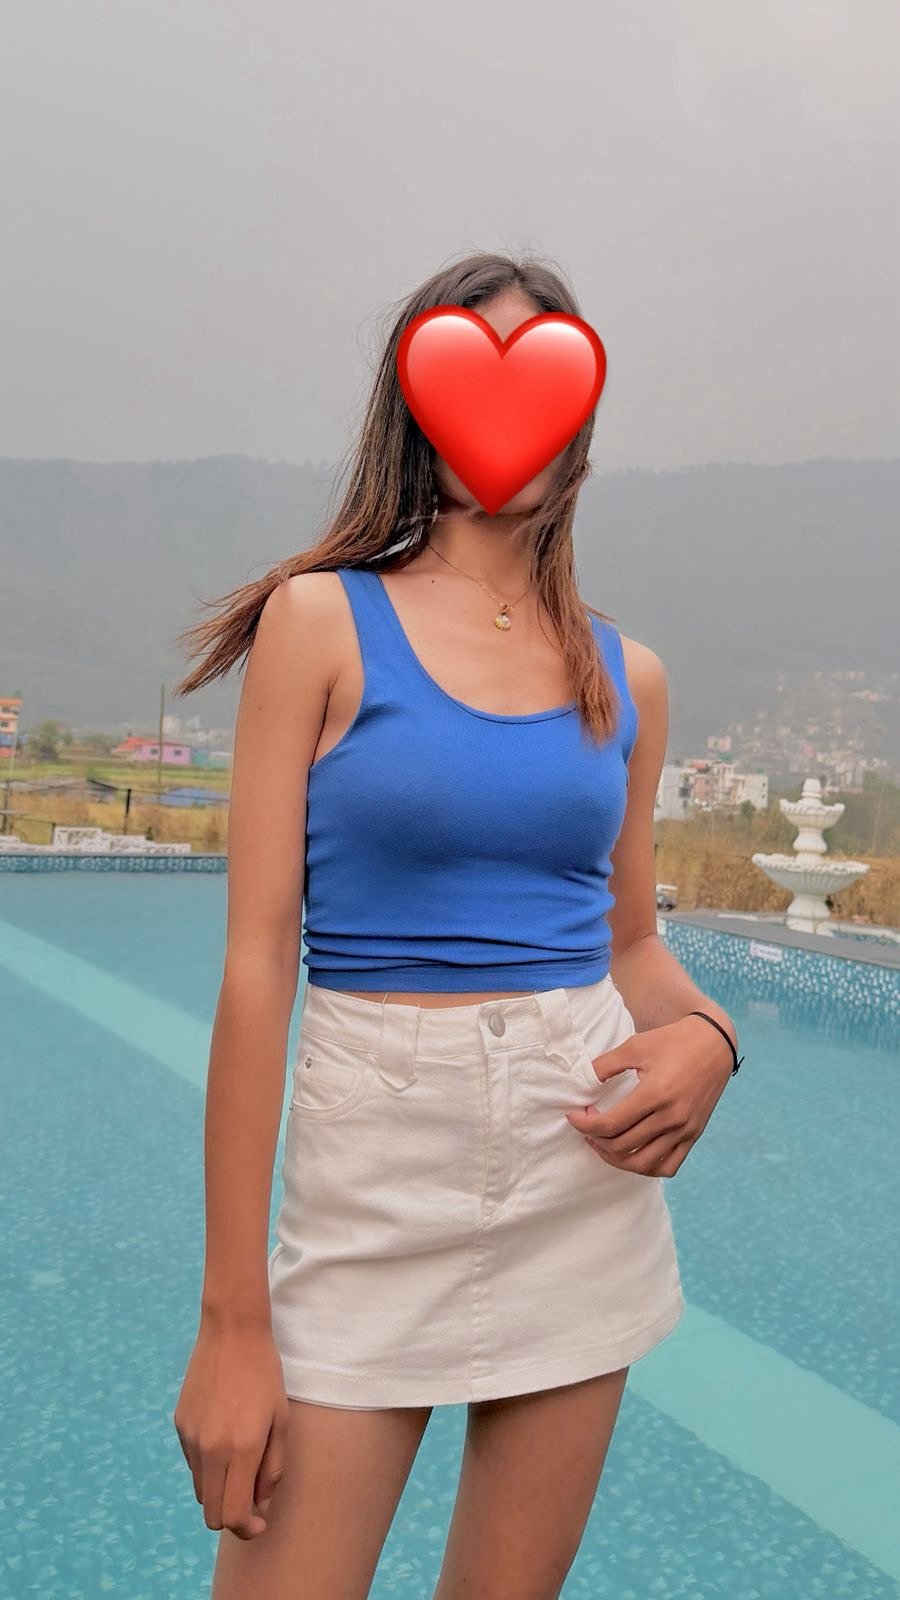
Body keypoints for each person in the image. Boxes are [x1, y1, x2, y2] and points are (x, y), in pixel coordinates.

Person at [171, 251, 742, 1600]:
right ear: (415, 407)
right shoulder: (321, 621)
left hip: (577, 1175)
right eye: (474, 367)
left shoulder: (628, 676)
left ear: (580, 417)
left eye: (543, 373)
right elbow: (256, 968)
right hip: (373, 1182)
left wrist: (712, 1040)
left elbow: (630, 944)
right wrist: (233, 1323)